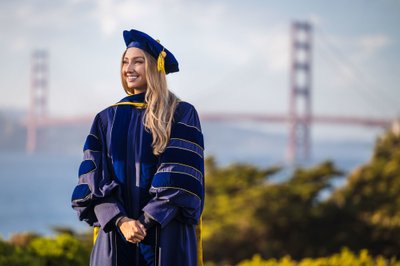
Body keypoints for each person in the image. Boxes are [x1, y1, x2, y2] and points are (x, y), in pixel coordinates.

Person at [71, 29, 205, 266]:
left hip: (166, 235)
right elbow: (92, 180)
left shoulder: (181, 113)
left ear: (155, 67)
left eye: (138, 61)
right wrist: (121, 220)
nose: (129, 68)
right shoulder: (105, 119)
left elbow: (179, 178)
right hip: (115, 234)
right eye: (125, 62)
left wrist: (144, 221)